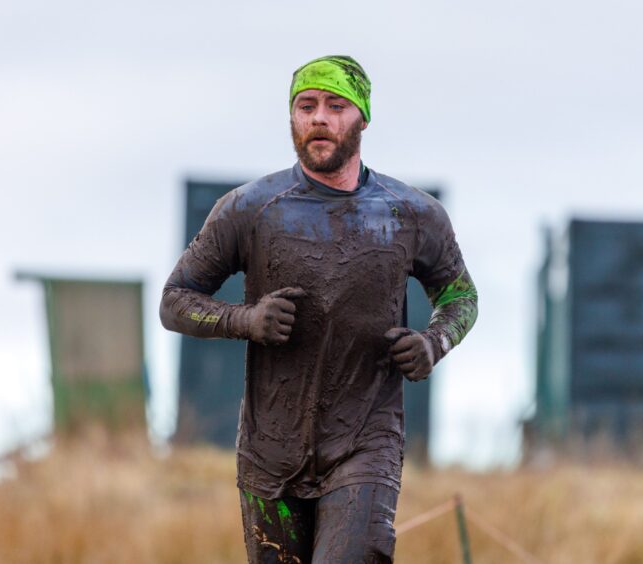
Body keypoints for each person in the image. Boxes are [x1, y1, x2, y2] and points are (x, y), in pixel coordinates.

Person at [160, 55, 478, 563]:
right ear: (292, 118)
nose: (319, 118)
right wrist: (246, 320)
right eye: (306, 106)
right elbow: (175, 301)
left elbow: (460, 296)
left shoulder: (411, 213)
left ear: (363, 118)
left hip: (365, 444)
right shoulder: (249, 208)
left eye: (336, 105)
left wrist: (431, 343)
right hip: (269, 456)